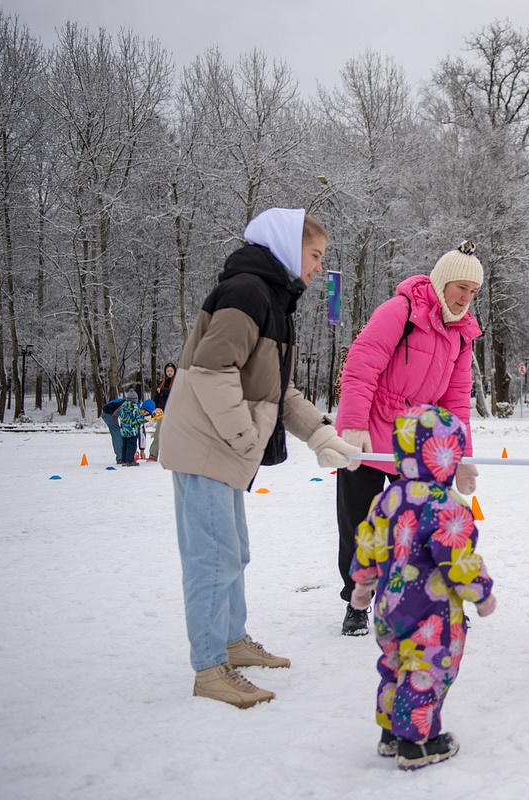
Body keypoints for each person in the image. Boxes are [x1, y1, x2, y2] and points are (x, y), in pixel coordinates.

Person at [159, 207, 360, 708]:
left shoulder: (273, 298)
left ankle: (231, 641)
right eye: (314, 255)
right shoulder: (248, 291)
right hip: (209, 446)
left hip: (223, 449)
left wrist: (320, 434)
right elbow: (210, 370)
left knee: (234, 552)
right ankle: (210, 668)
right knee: (212, 559)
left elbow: (279, 390)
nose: (318, 268)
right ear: (288, 245)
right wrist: (247, 437)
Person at [334, 241, 483, 636]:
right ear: (441, 282)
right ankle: (356, 601)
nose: (465, 298)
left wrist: (462, 454)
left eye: (472, 292)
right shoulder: (400, 311)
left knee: (420, 526)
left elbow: (456, 400)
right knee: (360, 525)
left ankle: (427, 599)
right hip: (368, 433)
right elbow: (360, 367)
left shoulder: (462, 333)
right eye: (460, 288)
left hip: (416, 441)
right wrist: (352, 427)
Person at [348, 404, 496, 771]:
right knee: (427, 668)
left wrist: (362, 584)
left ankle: (391, 732)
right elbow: (455, 557)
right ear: (448, 455)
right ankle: (417, 741)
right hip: (431, 610)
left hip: (389, 604)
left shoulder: (388, 497)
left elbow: (368, 541)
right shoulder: (446, 505)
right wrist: (481, 592)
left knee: (394, 664)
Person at [148, 362, 175, 461]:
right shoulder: (162, 382)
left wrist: (162, 390)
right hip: (161, 412)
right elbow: (156, 397)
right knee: (158, 433)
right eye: (168, 371)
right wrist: (154, 408)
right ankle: (153, 454)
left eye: (171, 371)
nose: (169, 372)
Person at [117, 390, 144, 466]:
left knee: (124, 445)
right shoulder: (135, 407)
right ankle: (130, 460)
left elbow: (121, 416)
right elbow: (138, 418)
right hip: (132, 431)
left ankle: (124, 460)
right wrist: (144, 419)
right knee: (131, 445)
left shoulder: (123, 406)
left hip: (124, 430)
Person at [100, 395, 125, 464]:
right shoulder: (125, 405)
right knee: (117, 433)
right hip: (108, 414)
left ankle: (122, 455)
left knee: (120, 432)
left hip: (112, 412)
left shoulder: (133, 404)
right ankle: (120, 458)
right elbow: (115, 415)